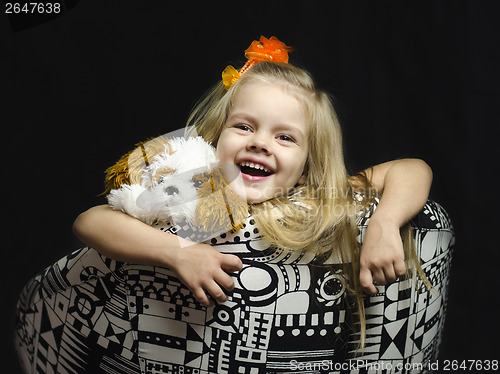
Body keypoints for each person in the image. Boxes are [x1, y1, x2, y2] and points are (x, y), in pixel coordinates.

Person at [16, 36, 451, 373]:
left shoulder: (318, 193)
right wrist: (177, 252)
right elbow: (90, 221)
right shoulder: (199, 190)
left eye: (285, 137)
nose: (260, 143)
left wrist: (385, 223)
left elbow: (413, 168)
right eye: (244, 127)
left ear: (307, 165)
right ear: (217, 139)